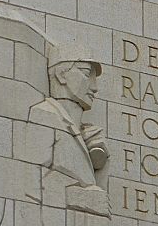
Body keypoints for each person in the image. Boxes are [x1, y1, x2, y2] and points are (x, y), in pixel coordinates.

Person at [27, 43, 109, 187]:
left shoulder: (86, 133)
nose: (94, 87)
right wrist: (79, 196)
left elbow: (97, 194)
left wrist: (102, 163)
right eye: (85, 73)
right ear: (61, 74)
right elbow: (32, 182)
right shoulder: (44, 116)